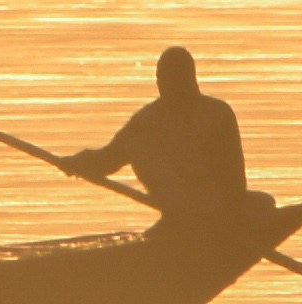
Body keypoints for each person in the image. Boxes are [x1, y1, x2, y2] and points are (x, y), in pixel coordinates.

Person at [58, 45, 256, 222]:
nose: (164, 84)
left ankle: (194, 222)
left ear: (190, 78)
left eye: (173, 78)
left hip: (215, 207)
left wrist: (229, 218)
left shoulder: (217, 114)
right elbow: (109, 159)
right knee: (136, 144)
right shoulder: (149, 119)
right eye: (161, 78)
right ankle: (181, 220)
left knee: (263, 201)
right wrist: (78, 163)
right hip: (182, 205)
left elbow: (235, 178)